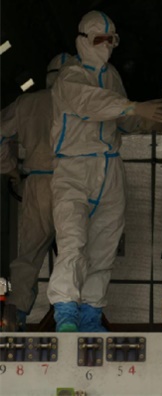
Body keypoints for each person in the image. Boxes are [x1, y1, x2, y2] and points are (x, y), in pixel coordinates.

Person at [47, 10, 162, 332]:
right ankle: (66, 312)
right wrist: (132, 106)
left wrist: (151, 118)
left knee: (104, 245)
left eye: (112, 40)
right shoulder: (70, 76)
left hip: (109, 167)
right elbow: (90, 103)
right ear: (83, 40)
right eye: (100, 39)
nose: (107, 46)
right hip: (74, 168)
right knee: (72, 241)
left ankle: (90, 315)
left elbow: (122, 119)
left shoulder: (111, 75)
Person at [0, 53, 71, 331]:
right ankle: (72, 316)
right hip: (74, 184)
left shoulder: (27, 103)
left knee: (28, 254)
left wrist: (10, 169)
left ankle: (15, 314)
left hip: (38, 184)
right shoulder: (81, 101)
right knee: (76, 252)